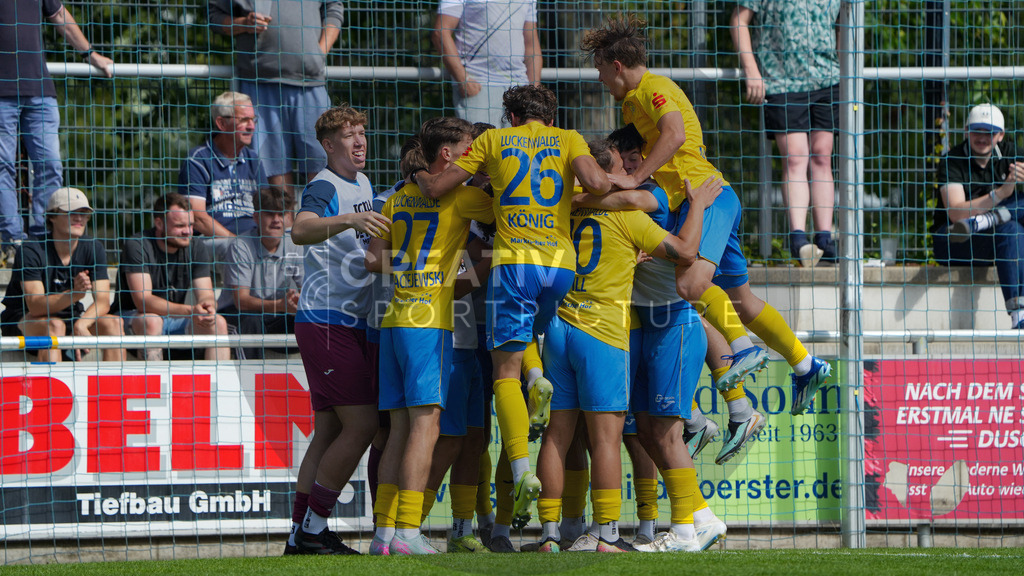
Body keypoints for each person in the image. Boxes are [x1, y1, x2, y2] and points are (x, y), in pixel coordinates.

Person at [581, 14, 831, 418]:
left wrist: (633, 180)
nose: (599, 81)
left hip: (706, 195)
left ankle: (744, 353)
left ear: (617, 66)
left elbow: (675, 135)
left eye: (599, 71)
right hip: (698, 200)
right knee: (743, 300)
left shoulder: (652, 88)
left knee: (689, 281)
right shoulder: (631, 103)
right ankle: (805, 365)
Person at [416, 84, 611, 530]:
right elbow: (598, 183)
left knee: (503, 371)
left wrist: (422, 179)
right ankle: (538, 375)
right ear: (552, 116)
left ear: (510, 115)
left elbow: (439, 187)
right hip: (561, 268)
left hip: (514, 263)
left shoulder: (493, 141)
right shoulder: (570, 139)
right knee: (526, 339)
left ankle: (523, 471)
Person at [534, 139, 722, 554]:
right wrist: (697, 205)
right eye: (617, 171)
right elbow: (688, 252)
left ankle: (549, 535)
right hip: (602, 333)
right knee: (606, 439)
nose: (624, 179)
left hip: (559, 329)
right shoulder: (627, 219)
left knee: (557, 436)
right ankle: (607, 535)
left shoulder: (559, 212)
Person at [366, 117, 495, 555]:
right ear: (448, 154)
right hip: (429, 323)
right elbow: (510, 216)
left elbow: (372, 260)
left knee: (399, 430)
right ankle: (408, 531)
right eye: (467, 148)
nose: (472, 154)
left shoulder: (398, 198)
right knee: (428, 428)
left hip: (395, 321)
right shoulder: (462, 197)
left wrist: (414, 268)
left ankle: (383, 536)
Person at [286, 105, 390, 555]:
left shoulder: (363, 184)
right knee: (362, 423)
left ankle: (299, 535)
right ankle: (314, 528)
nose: (360, 141)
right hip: (327, 321)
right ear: (329, 145)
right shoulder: (324, 184)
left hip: (350, 321)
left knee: (328, 431)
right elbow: (300, 229)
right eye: (349, 135)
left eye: (362, 132)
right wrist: (347, 220)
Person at [0, 1, 113, 265]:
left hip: (39, 90)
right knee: (2, 166)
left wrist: (91, 55)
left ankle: (42, 240)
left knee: (50, 165)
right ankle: (12, 243)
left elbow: (60, 15)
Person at [730, 0, 841, 267]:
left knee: (823, 156)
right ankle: (798, 239)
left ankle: (825, 239)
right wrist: (751, 69)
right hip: (781, 80)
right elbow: (739, 20)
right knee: (794, 157)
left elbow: (844, 25)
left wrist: (844, 68)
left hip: (828, 79)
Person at [209, 0, 344, 187]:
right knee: (271, 175)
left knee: (322, 167)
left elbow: (334, 7)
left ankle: (318, 217)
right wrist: (242, 23)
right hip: (258, 84)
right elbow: (215, 17)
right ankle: (283, 217)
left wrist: (319, 53)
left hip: (310, 82)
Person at [0, 187, 125, 362]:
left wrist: (82, 323)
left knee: (114, 323)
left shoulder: (93, 247)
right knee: (54, 325)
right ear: (52, 216)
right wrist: (74, 294)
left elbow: (103, 301)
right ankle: (50, 388)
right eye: (72, 212)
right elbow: (35, 306)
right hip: (23, 319)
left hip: (71, 317)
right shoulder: (30, 249)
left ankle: (114, 388)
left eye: (84, 213)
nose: (79, 218)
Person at [933, 103, 1024, 329]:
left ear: (1000, 135)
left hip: (998, 239)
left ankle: (989, 220)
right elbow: (955, 213)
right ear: (966, 131)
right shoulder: (951, 160)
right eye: (977, 131)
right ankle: (1019, 315)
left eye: (989, 132)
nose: (982, 138)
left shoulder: (1014, 155)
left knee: (1013, 231)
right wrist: (1001, 193)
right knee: (1013, 231)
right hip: (955, 239)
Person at [114, 193, 231, 362]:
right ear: (159, 223)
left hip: (174, 318)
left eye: (191, 225)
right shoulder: (138, 244)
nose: (188, 232)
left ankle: (217, 387)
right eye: (180, 226)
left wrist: (208, 307)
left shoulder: (196, 246)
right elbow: (143, 302)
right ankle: (152, 386)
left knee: (218, 322)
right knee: (152, 321)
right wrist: (191, 311)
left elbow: (206, 292)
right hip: (132, 319)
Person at [178, 91, 265, 263]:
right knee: (232, 249)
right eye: (244, 120)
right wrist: (237, 242)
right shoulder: (197, 160)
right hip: (215, 240)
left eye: (253, 120)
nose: (251, 126)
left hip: (255, 238)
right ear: (222, 124)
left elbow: (268, 207)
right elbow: (197, 217)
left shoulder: (254, 159)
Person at [219, 187, 303, 358]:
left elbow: (308, 288)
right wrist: (280, 305)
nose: (277, 220)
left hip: (276, 314)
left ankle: (322, 378)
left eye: (281, 214)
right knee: (252, 322)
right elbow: (241, 301)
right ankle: (249, 382)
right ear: (256, 217)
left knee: (314, 320)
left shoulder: (294, 245)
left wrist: (299, 300)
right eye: (270, 214)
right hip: (236, 315)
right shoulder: (240, 245)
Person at [432, 0, 542, 126]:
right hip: (478, 85)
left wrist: (535, 92)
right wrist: (464, 80)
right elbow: (440, 33)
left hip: (520, 88)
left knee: (520, 146)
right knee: (481, 144)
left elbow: (531, 44)